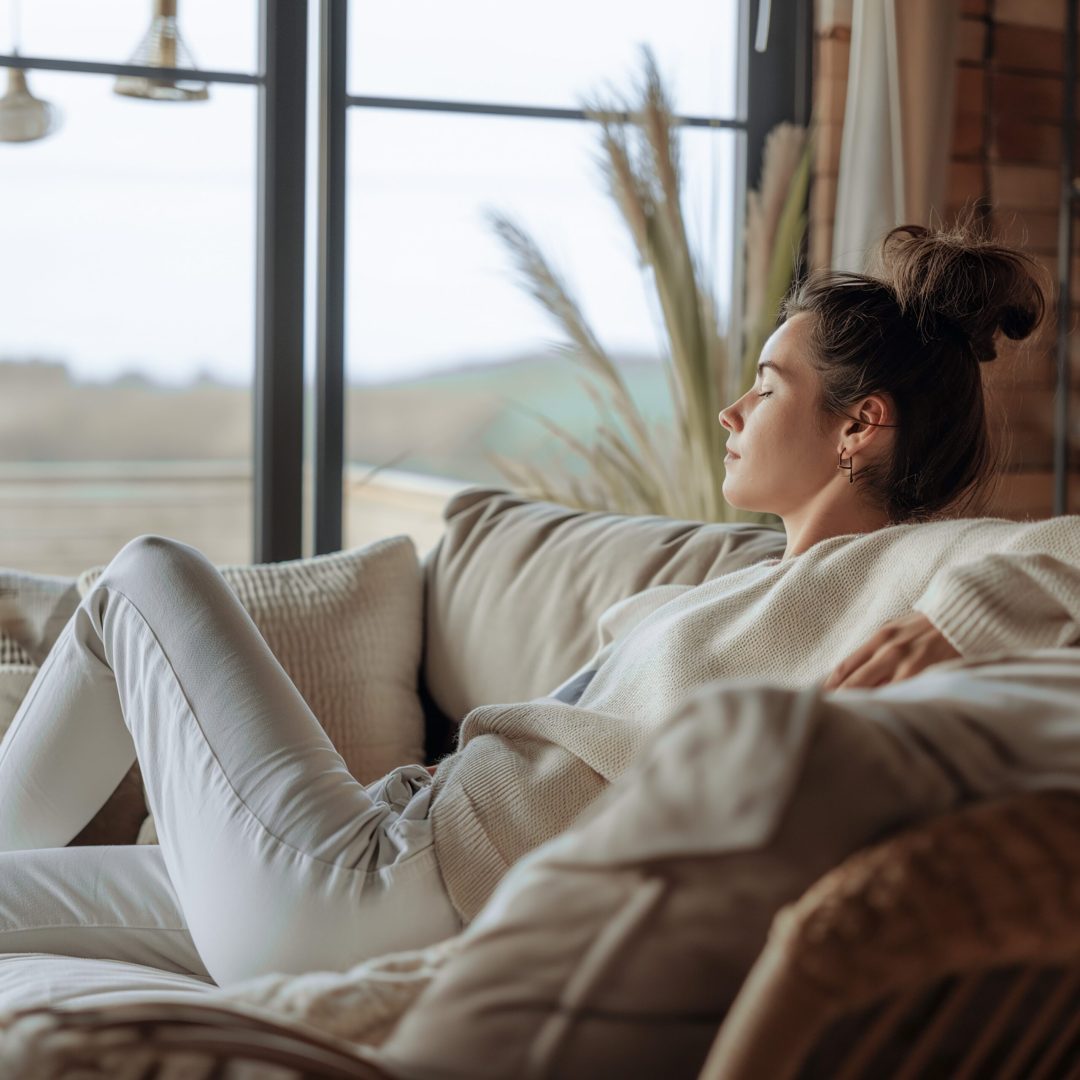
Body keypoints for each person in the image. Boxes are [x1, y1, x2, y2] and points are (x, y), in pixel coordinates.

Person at [0, 219, 1078, 997]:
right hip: (378, 856)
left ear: (862, 426)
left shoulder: (910, 568)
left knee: (142, 576)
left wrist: (960, 621)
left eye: (768, 381)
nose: (730, 406)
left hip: (385, 894)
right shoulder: (753, 581)